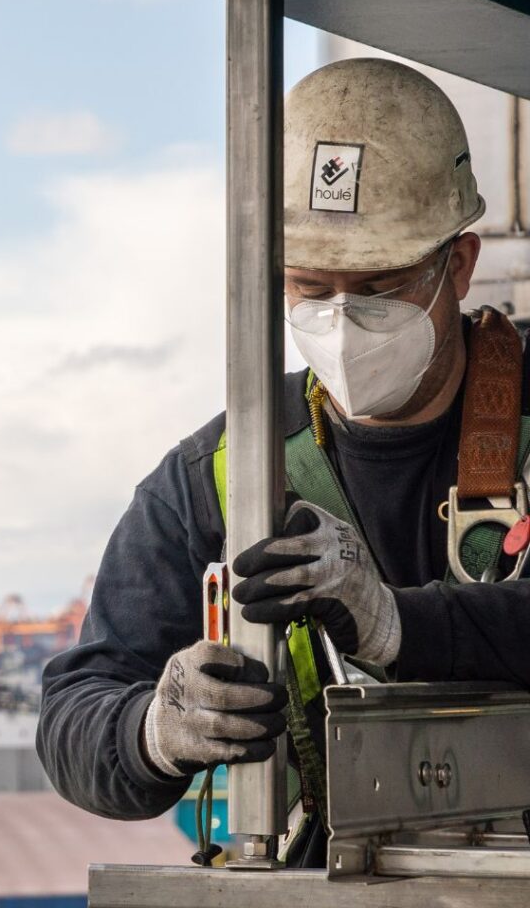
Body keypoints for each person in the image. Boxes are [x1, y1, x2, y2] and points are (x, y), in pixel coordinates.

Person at [36, 58, 530, 858]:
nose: (342, 319)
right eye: (309, 286)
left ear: (460, 265)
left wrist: (394, 621)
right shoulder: (220, 475)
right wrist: (154, 729)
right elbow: (72, 714)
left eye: (379, 285)